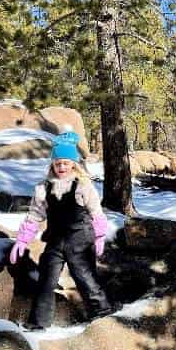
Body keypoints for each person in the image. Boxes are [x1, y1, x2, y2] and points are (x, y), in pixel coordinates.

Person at [9, 131, 112, 328]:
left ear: (73, 163)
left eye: (66, 163)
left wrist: (99, 236)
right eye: (58, 163)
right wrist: (22, 240)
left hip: (80, 241)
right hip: (55, 242)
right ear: (52, 165)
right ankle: (39, 322)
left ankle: (102, 311)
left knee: (85, 277)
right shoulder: (43, 188)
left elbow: (96, 212)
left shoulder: (83, 186)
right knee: (46, 279)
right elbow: (34, 215)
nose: (61, 167)